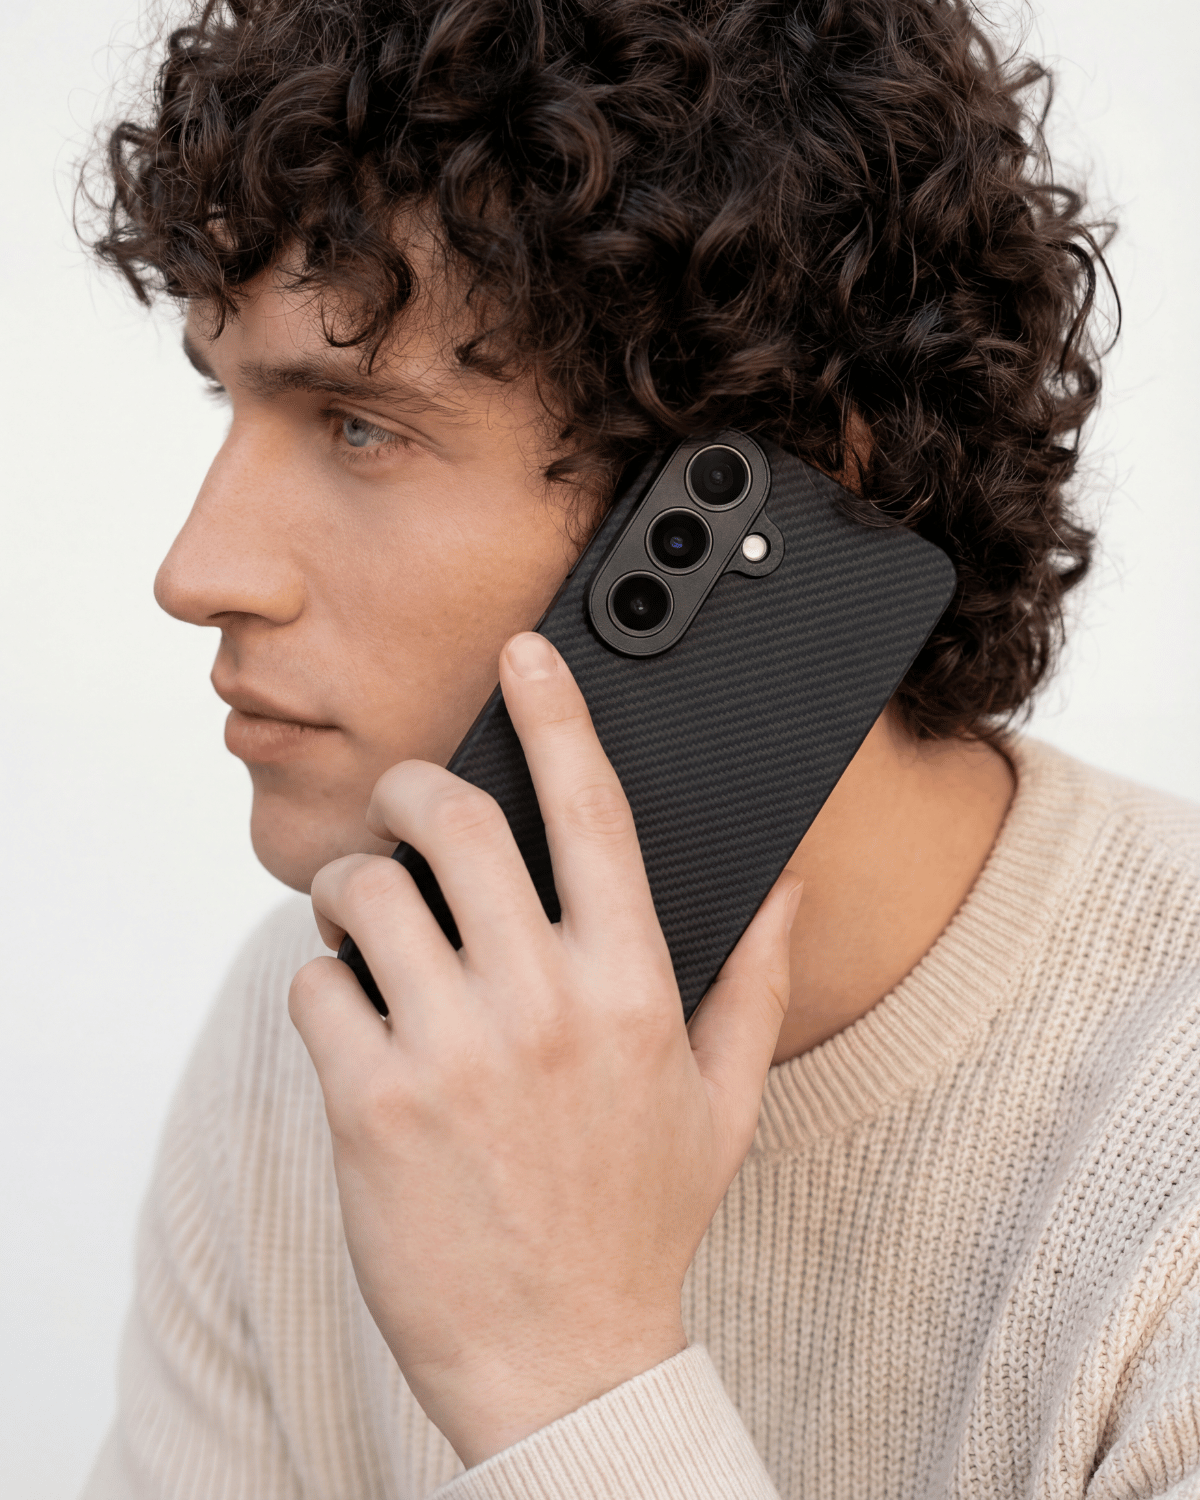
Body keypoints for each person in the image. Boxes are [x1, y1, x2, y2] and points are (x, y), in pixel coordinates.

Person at [80, 0, 1200, 1495]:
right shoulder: (340, 1025)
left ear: (781, 502)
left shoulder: (1168, 1153)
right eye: (230, 403)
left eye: (359, 426)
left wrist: (569, 1369)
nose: (197, 570)